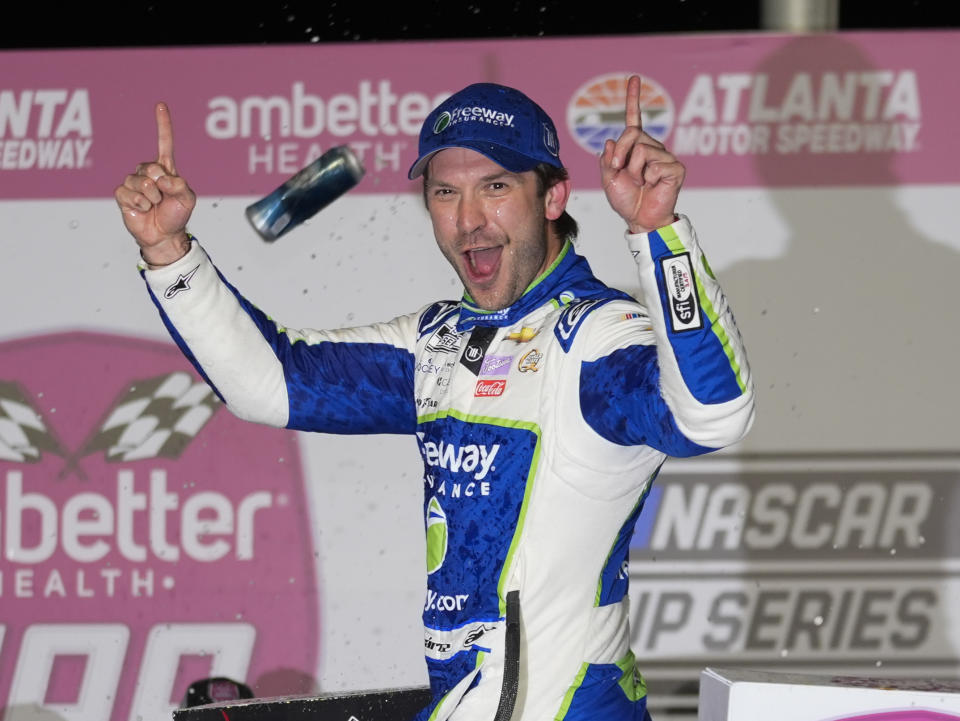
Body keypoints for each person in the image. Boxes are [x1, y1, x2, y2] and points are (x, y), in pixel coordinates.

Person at [115, 76, 755, 721]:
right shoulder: (436, 342)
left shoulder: (594, 337)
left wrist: (659, 232)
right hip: (469, 699)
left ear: (553, 196)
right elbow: (267, 383)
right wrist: (167, 251)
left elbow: (713, 414)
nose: (469, 220)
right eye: (446, 192)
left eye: (496, 187)